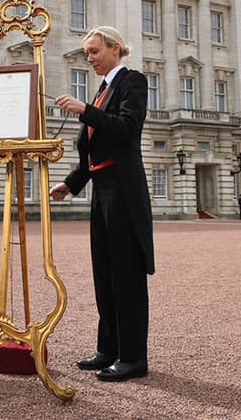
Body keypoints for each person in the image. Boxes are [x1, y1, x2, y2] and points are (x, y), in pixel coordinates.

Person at [50, 26, 154, 382]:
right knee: (104, 274)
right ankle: (108, 348)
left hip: (123, 191)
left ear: (114, 48)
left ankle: (132, 358)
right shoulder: (102, 90)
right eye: (86, 53)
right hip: (102, 191)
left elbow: (126, 130)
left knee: (126, 276)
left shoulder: (132, 81)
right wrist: (71, 183)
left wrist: (84, 111)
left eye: (94, 51)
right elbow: (95, 150)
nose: (89, 58)